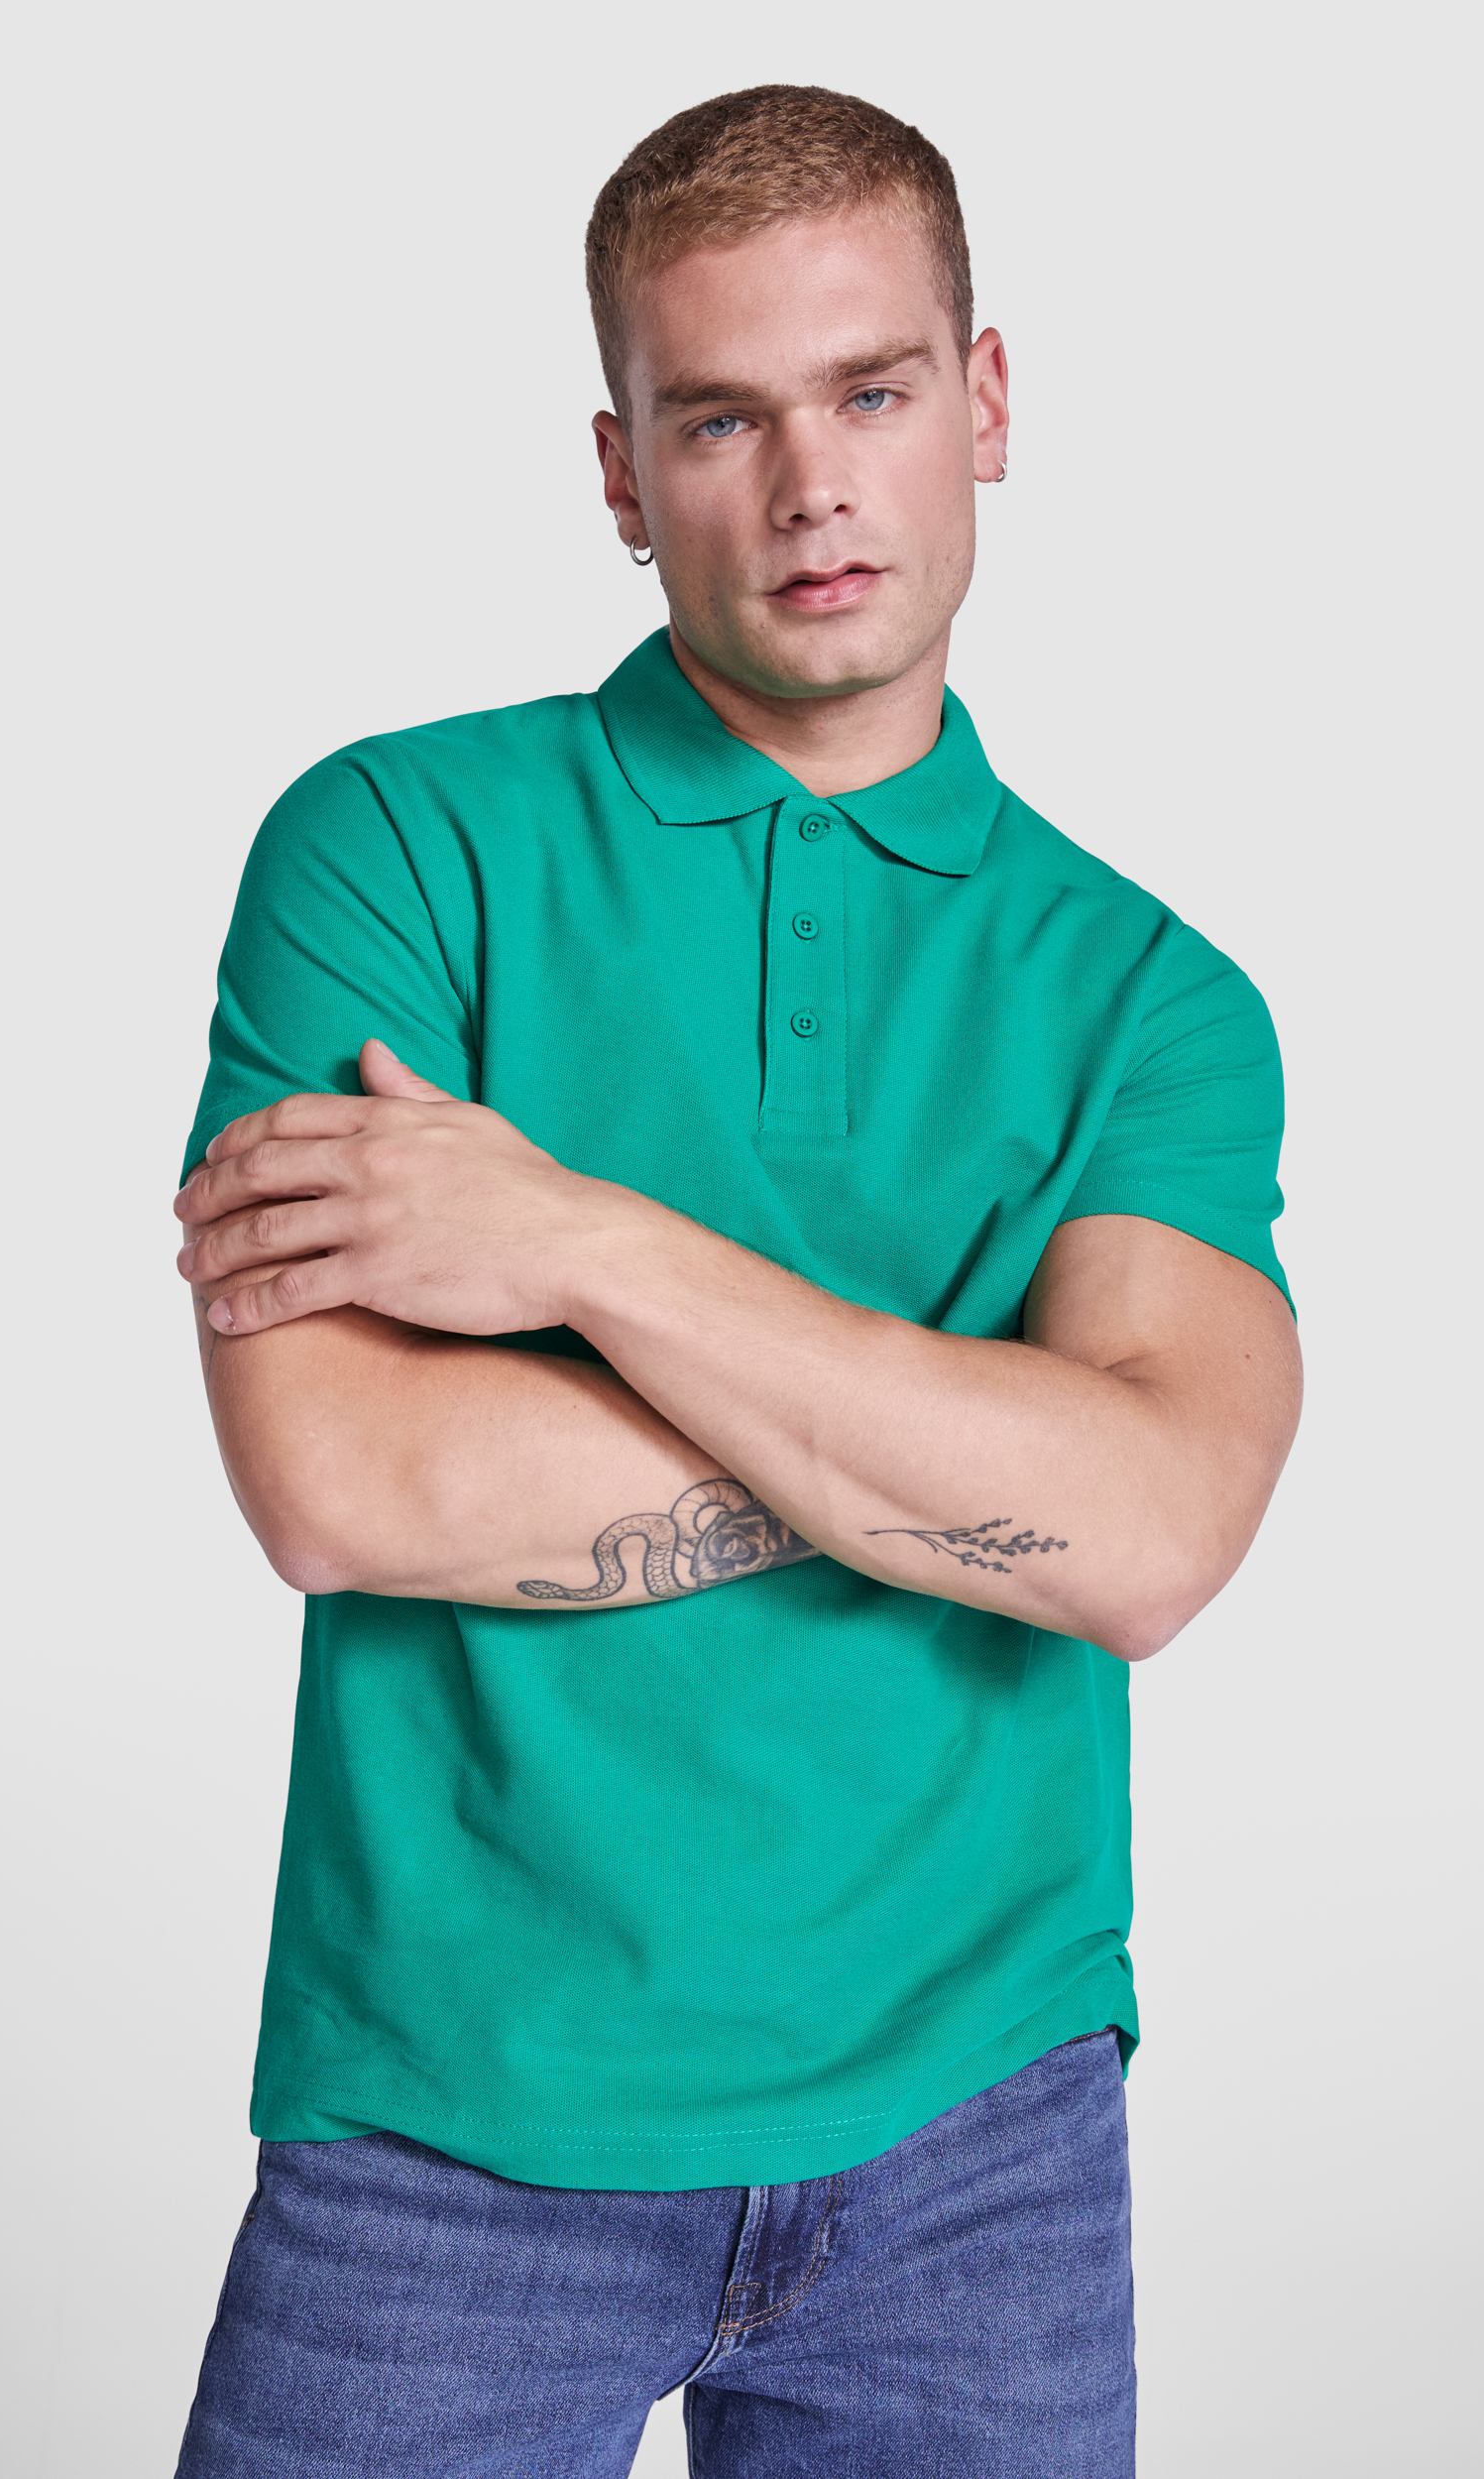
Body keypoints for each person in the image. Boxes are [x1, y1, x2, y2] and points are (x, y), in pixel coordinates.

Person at [169, 83, 1300, 2479]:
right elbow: (348, 1478)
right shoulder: (397, 850)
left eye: (870, 393)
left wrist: (571, 1241)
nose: (808, 488)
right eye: (719, 418)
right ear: (620, 469)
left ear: (985, 403)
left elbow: (1152, 1536)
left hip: (978, 2136)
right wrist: (964, 1438)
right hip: (451, 2116)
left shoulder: (1146, 998)